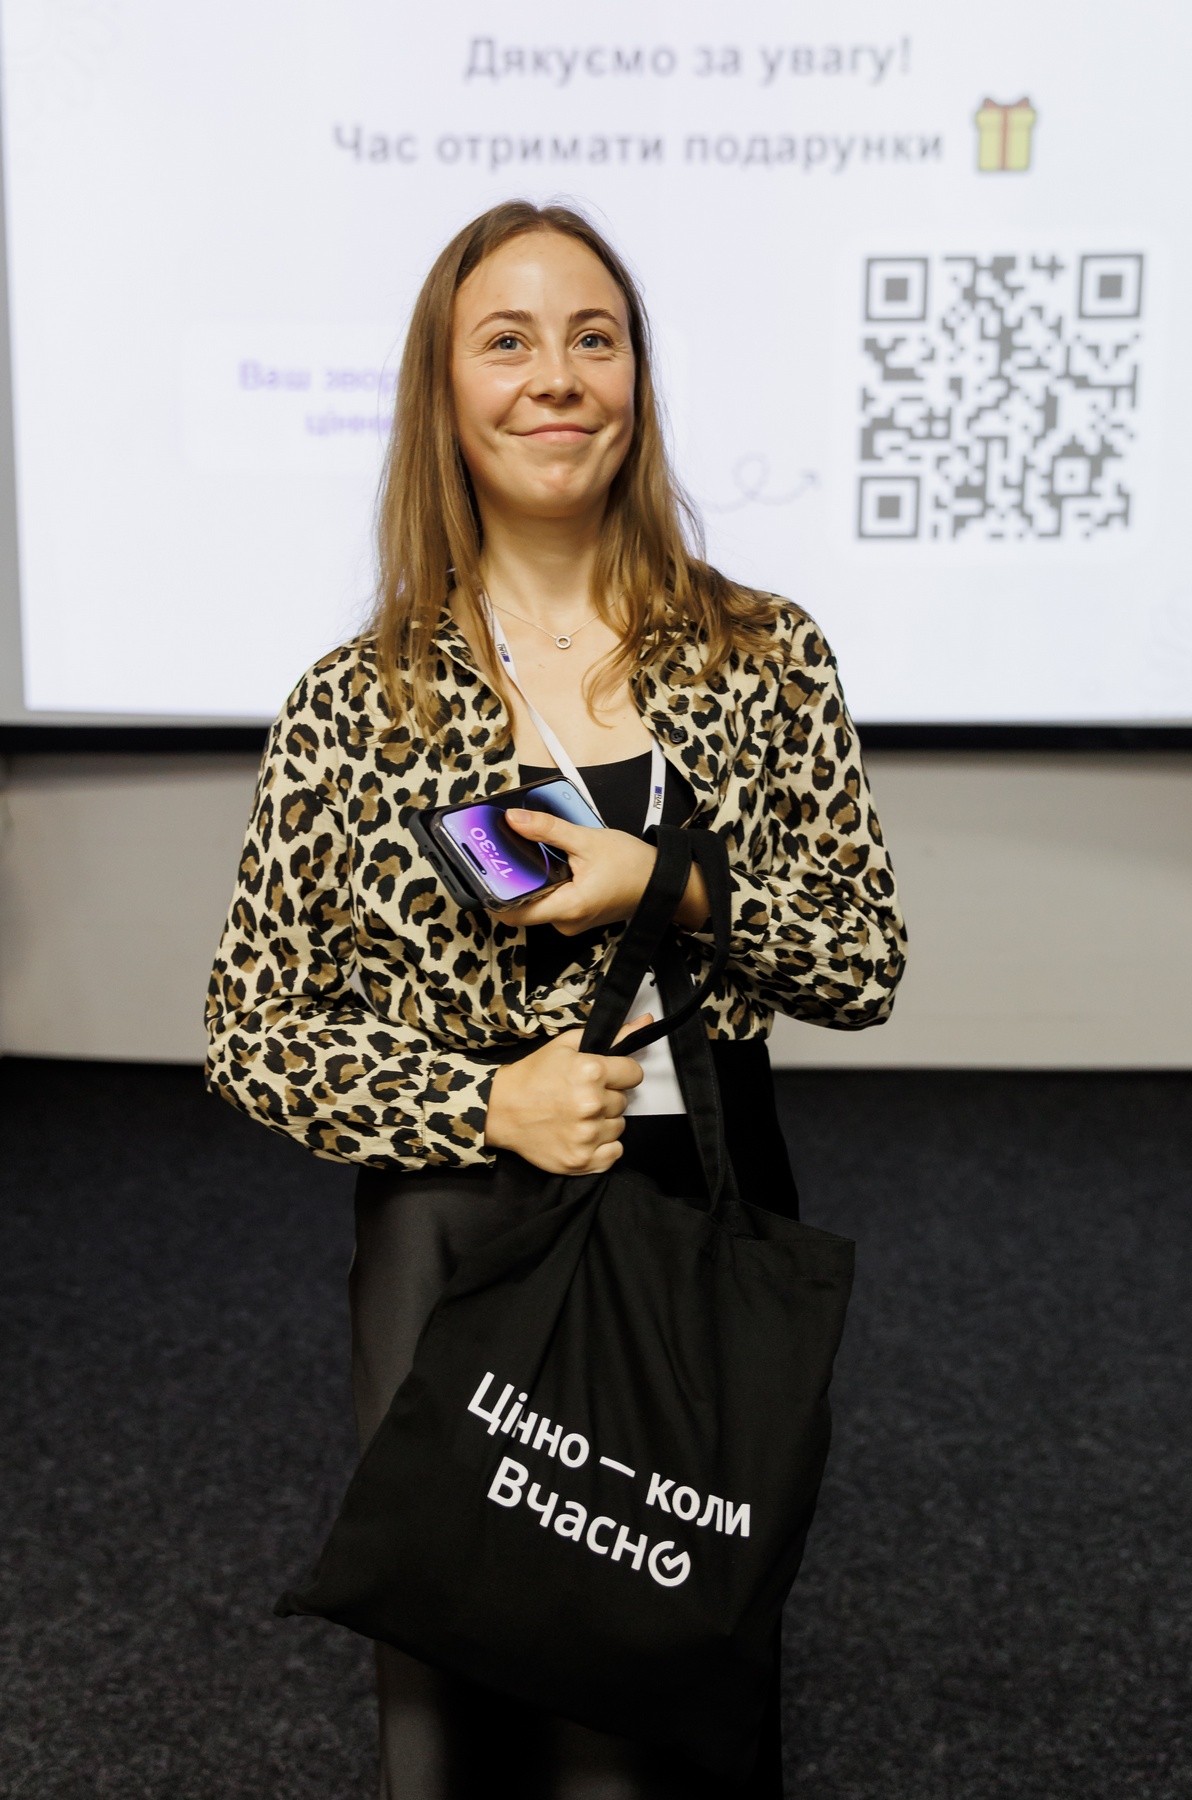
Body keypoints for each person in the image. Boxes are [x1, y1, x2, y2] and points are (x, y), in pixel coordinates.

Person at [206, 200, 906, 1800]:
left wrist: (675, 886)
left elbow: (864, 962)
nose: (557, 377)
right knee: (462, 1685)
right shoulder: (358, 704)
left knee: (671, 1668)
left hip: (697, 1200)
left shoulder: (765, 658)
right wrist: (485, 1101)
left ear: (636, 381)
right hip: (455, 1228)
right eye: (507, 341)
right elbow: (255, 1033)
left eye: (595, 338)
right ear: (444, 390)